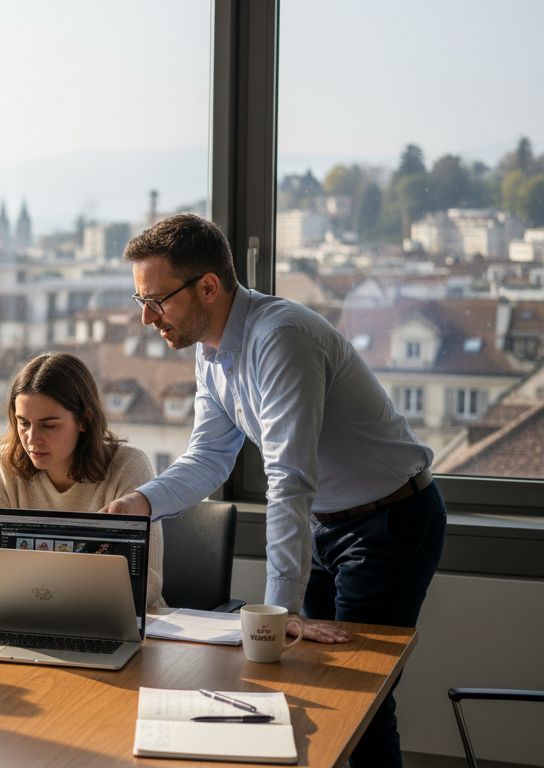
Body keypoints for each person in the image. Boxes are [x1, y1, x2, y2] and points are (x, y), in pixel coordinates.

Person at [102, 213, 446, 767]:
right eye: (140, 300)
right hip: (329, 524)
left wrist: (278, 609)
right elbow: (210, 457)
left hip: (388, 523)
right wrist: (141, 503)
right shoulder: (210, 352)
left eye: (157, 300)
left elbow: (288, 477)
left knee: (359, 699)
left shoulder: (280, 337)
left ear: (208, 287)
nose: (146, 318)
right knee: (313, 680)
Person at [0, 352, 167, 612]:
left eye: (49, 425)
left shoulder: (129, 466)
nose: (32, 439)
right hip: (24, 618)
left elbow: (148, 585)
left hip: (112, 623)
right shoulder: (4, 465)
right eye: (23, 423)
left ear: (84, 421)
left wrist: (25, 585)